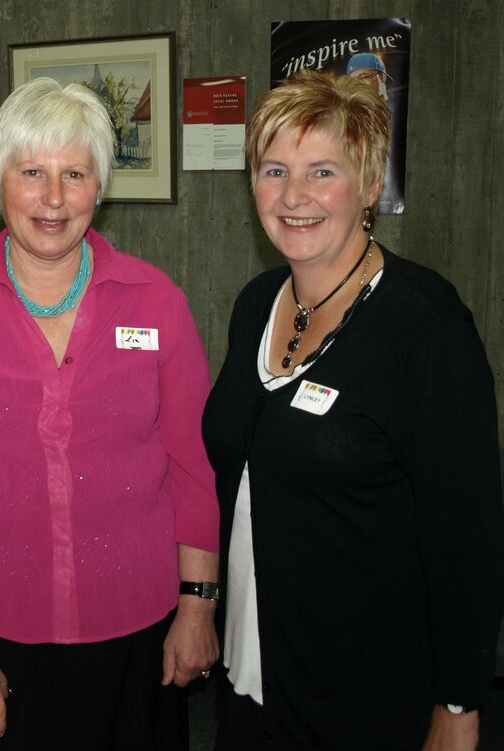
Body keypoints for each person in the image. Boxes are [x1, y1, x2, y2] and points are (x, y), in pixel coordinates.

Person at [0, 76, 220, 750]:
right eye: (31, 172)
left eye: (74, 173)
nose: (52, 198)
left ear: (100, 187)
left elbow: (193, 467)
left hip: (137, 631)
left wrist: (197, 603)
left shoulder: (155, 303)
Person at [202, 70, 504, 750]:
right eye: (273, 169)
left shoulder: (424, 325)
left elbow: (466, 532)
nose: (293, 196)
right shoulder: (255, 304)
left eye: (322, 171)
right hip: (251, 670)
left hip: (365, 694)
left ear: (368, 186)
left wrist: (458, 702)